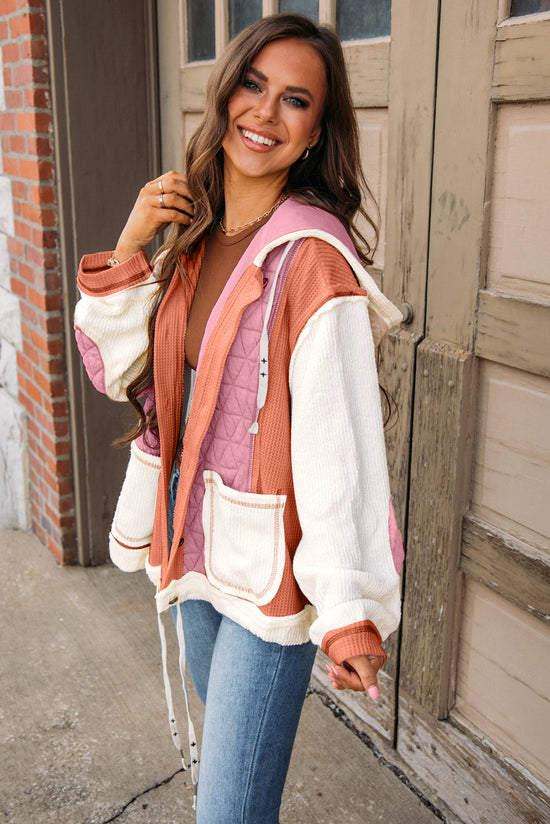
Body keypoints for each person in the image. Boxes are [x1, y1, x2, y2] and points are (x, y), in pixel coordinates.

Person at [74, 13, 404, 823]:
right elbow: (118, 370)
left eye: (295, 100)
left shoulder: (312, 261)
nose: (264, 112)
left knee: (228, 811)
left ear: (317, 130)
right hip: (192, 538)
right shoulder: (192, 232)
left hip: (271, 566)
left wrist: (351, 612)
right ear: (224, 95)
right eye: (253, 86)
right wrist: (130, 243)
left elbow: (338, 450)